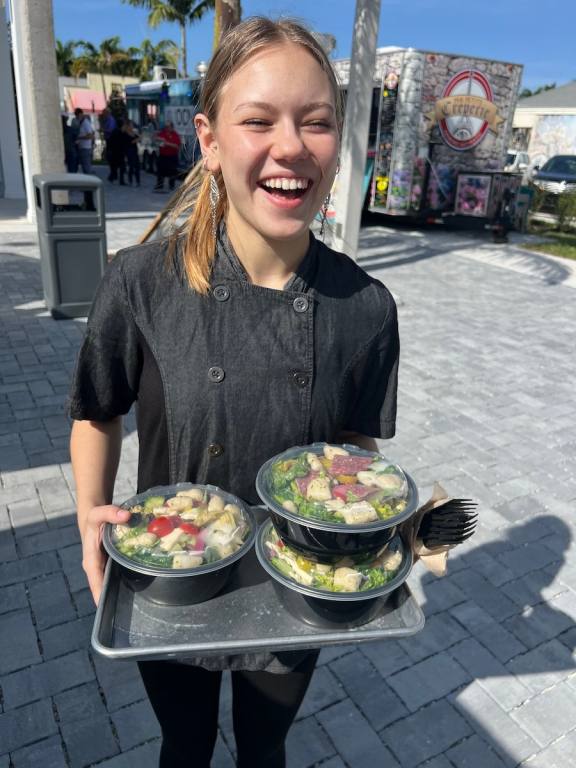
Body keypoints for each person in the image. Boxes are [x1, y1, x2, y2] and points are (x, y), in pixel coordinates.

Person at [69, 17, 399, 768]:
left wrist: (382, 526)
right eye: (259, 120)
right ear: (210, 141)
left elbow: (355, 449)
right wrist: (91, 511)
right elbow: (98, 410)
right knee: (184, 744)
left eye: (316, 122)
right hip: (172, 576)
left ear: (336, 143)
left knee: (264, 747)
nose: (291, 145)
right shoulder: (140, 281)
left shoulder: (368, 307)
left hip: (296, 587)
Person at [154, 119, 181, 191]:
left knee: (172, 171)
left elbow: (177, 146)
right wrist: (157, 140)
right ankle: (159, 185)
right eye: (166, 127)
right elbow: (156, 141)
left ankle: (171, 185)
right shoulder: (162, 133)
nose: (167, 128)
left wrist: (167, 143)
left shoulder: (175, 135)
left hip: (172, 156)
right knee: (160, 171)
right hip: (163, 155)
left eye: (168, 127)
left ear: (172, 127)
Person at [106, 119, 127, 185]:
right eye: (124, 125)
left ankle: (113, 178)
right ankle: (115, 178)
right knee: (119, 166)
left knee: (117, 166)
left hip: (117, 152)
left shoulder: (117, 132)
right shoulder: (118, 132)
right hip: (117, 152)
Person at [75, 109, 94, 174]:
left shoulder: (86, 123)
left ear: (80, 114)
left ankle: (90, 182)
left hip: (85, 148)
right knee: (84, 167)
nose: (76, 117)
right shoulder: (81, 123)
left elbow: (90, 135)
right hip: (82, 147)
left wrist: (79, 137)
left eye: (77, 115)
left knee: (86, 168)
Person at [122, 119, 141, 186]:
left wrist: (139, 137)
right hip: (129, 151)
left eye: (132, 125)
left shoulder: (134, 132)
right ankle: (131, 180)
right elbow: (130, 142)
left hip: (135, 151)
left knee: (137, 166)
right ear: (127, 126)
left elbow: (139, 138)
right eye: (131, 125)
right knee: (131, 166)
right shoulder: (125, 134)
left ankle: (138, 181)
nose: (132, 126)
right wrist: (137, 139)